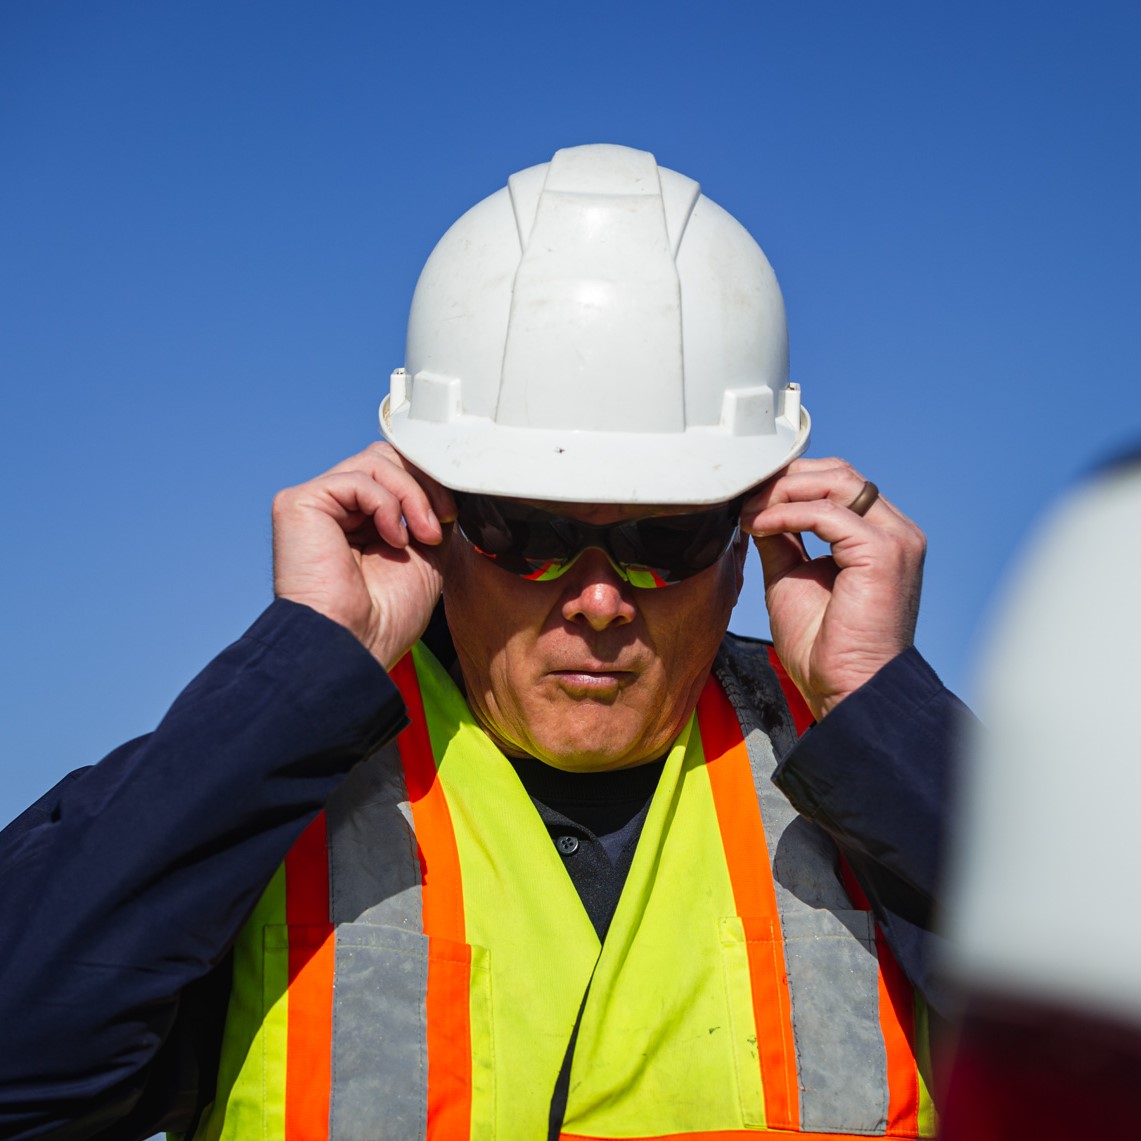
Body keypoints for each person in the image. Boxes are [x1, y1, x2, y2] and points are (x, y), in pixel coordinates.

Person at [0, 145, 964, 1140]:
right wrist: (302, 669)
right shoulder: (264, 787)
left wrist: (880, 709)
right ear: (434, 516)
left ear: (748, 539)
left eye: (663, 538)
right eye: (527, 531)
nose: (597, 598)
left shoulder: (875, 793)